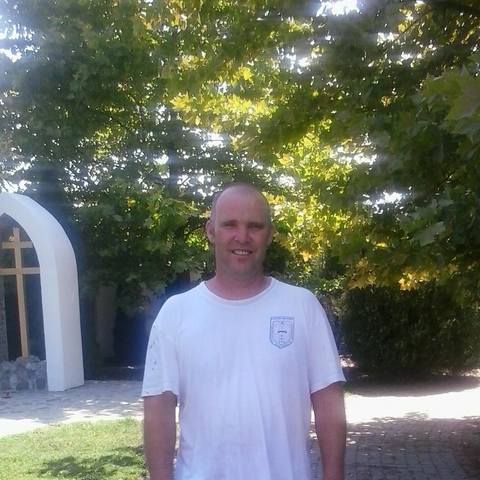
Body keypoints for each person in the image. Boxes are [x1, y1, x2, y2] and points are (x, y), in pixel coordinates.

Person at [142, 183, 346, 480]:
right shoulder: (176, 313)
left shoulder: (302, 306)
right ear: (211, 231)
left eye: (255, 226)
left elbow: (329, 402)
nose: (242, 237)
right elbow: (158, 409)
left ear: (270, 234)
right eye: (230, 225)